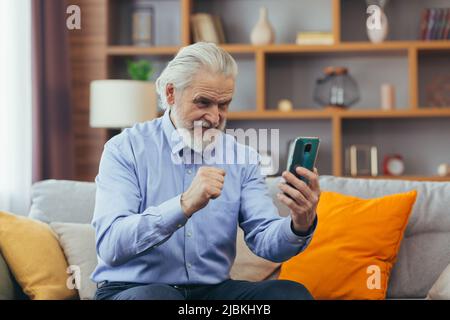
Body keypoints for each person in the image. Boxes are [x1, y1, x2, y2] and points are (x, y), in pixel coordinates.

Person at [91, 42, 320, 300]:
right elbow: (111, 244)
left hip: (211, 294)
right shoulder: (125, 149)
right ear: (170, 94)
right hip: (133, 290)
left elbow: (264, 239)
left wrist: (299, 224)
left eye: (223, 105)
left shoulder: (241, 158)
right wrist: (184, 204)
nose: (214, 117)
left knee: (290, 295)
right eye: (203, 102)